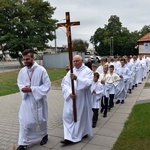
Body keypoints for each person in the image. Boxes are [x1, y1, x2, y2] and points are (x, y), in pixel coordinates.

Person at [17, 49, 51, 150]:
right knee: (24, 121)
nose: (25, 61)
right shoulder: (22, 71)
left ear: (33, 58)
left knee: (41, 120)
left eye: (27, 59)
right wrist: (23, 88)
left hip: (38, 100)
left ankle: (44, 135)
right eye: (24, 59)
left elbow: (47, 85)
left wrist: (32, 89)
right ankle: (23, 143)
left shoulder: (41, 70)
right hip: (27, 100)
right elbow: (20, 82)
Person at [61, 55, 93, 144]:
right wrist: (69, 93)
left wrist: (77, 79)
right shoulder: (71, 71)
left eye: (77, 61)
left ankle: (76, 136)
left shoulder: (87, 71)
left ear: (82, 60)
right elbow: (65, 84)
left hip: (81, 98)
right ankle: (68, 136)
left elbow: (88, 83)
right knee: (67, 116)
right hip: (71, 98)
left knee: (79, 117)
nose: (75, 63)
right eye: (74, 61)